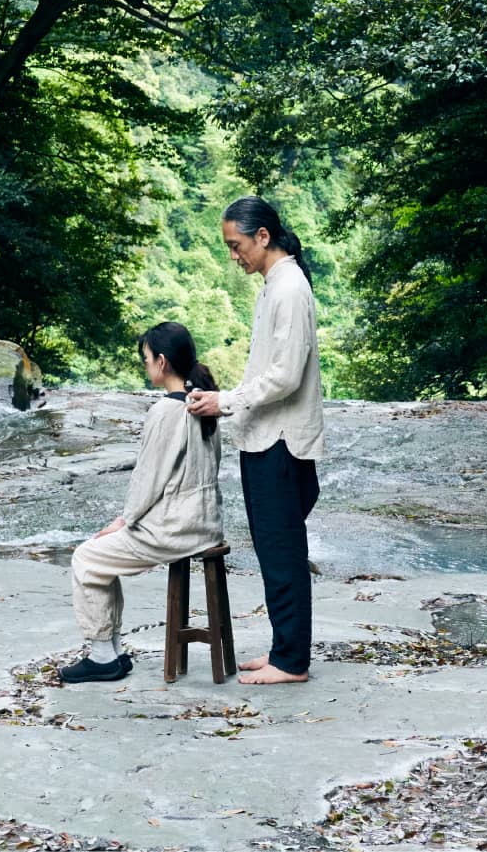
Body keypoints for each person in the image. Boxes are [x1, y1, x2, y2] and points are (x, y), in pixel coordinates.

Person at [185, 195, 323, 685]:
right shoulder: (275, 284)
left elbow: (284, 377)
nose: (233, 255)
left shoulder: (289, 288)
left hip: (279, 439)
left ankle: (291, 662)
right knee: (273, 548)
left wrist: (225, 401)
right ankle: (283, 650)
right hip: (267, 436)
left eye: (236, 245)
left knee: (282, 549)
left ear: (262, 237)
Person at [61, 320, 224, 684]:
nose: (145, 365)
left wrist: (124, 520)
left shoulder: (167, 411)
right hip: (205, 522)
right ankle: (112, 652)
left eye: (147, 358)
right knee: (100, 559)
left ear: (162, 361)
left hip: (175, 528)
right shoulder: (203, 403)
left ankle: (104, 654)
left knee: (87, 556)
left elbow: (148, 479)